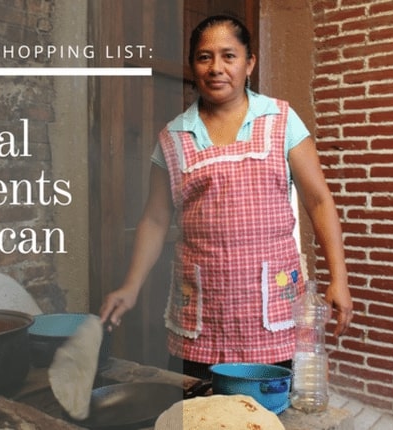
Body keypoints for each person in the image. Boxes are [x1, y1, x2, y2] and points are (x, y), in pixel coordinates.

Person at [99, 15, 353, 380]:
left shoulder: (281, 119)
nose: (216, 68)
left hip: (271, 310)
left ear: (249, 63)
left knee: (267, 411)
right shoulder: (173, 136)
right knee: (199, 408)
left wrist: (338, 279)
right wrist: (131, 286)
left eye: (228, 56)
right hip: (204, 309)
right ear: (193, 66)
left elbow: (319, 201)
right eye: (204, 57)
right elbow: (154, 220)